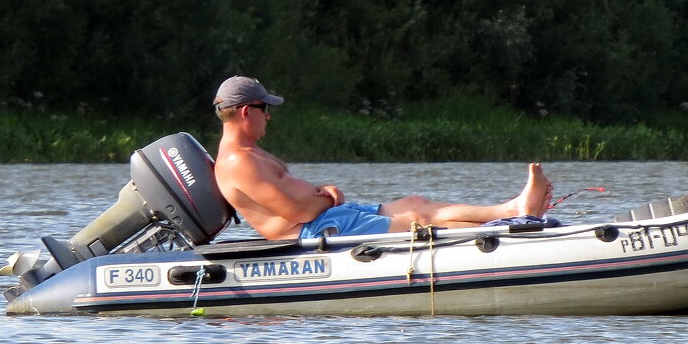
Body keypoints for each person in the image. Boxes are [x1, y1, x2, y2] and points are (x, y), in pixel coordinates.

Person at [211, 76, 553, 240]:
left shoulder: (248, 152)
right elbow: (294, 211)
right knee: (417, 219)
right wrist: (331, 197)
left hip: (326, 216)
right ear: (245, 111)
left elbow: (290, 193)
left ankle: (511, 212)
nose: (269, 116)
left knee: (415, 202)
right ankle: (511, 224)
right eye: (265, 109)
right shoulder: (237, 162)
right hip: (313, 229)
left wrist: (324, 192)